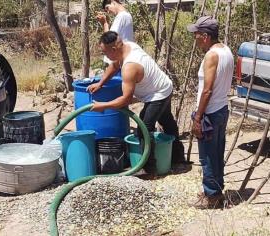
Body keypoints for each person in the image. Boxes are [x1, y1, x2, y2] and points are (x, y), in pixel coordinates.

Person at [87, 31, 185, 174]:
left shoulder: (130, 66)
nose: (105, 56)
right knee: (167, 122)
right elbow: (114, 66)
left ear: (114, 49)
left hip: (158, 94)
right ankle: (178, 157)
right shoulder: (126, 47)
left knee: (144, 129)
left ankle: (150, 169)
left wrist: (103, 106)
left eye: (105, 53)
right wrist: (101, 83)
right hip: (162, 86)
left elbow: (126, 99)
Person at [187, 16, 234, 209]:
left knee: (207, 155)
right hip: (222, 109)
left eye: (196, 34)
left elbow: (207, 90)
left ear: (205, 36)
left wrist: (198, 117)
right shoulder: (226, 50)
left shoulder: (211, 56)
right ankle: (215, 189)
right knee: (217, 153)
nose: (195, 38)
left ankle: (212, 197)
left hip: (211, 112)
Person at [96, 0, 134, 69]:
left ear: (113, 2)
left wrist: (105, 24)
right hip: (124, 61)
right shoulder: (127, 15)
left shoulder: (121, 16)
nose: (108, 12)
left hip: (118, 64)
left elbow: (108, 40)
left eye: (107, 8)